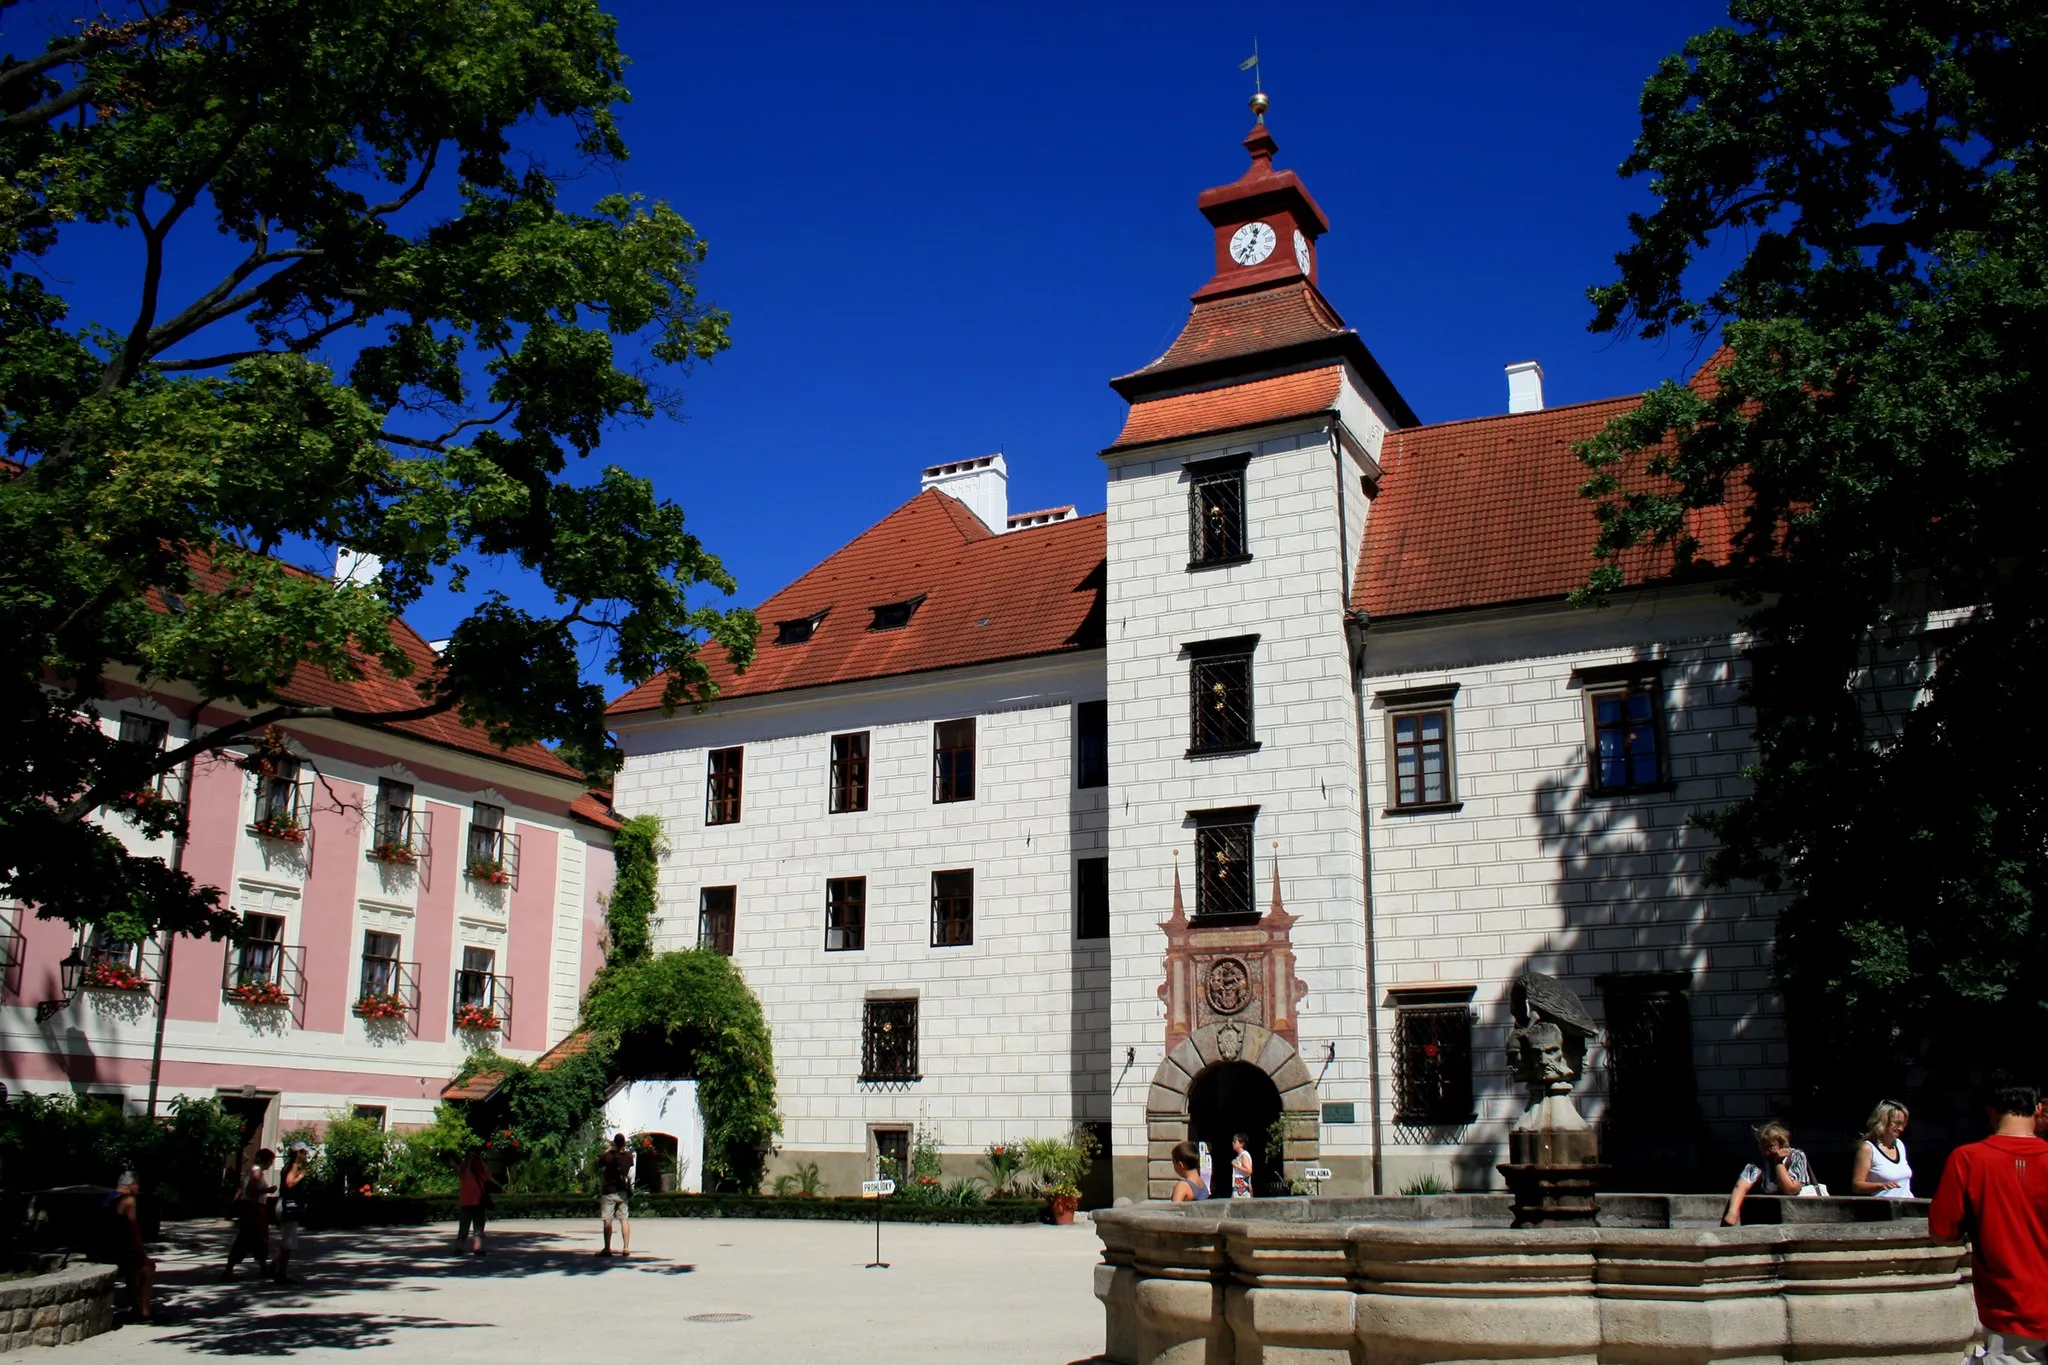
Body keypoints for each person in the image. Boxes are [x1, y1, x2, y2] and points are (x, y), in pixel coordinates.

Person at [1930, 1073, 2048, 1363]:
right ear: (2038, 1109)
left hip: (2011, 1311)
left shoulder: (1968, 1159)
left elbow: (1942, 1232)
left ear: (1990, 1110)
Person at [1722, 1121, 1811, 1226]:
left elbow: (1790, 1189)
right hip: (1771, 1213)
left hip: (1799, 1214)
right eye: (1762, 1147)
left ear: (1782, 1144)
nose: (1766, 1152)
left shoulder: (1797, 1156)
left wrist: (1778, 1163)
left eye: (1770, 1147)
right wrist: (1733, 1212)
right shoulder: (1760, 1160)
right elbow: (1741, 1186)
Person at [108, 1171, 154, 1323]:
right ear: (132, 1186)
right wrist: (143, 1255)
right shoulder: (129, 1200)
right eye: (137, 1185)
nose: (138, 1188)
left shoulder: (109, 1198)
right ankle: (144, 1312)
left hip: (104, 1249)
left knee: (133, 1269)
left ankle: (134, 1303)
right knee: (146, 1268)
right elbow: (135, 1230)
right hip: (119, 1252)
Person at [222, 1148, 275, 1280]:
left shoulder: (251, 1170)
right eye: (271, 1161)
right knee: (250, 1239)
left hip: (250, 1209)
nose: (271, 1164)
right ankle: (229, 1271)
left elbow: (242, 1190)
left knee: (253, 1239)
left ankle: (263, 1269)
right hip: (254, 1210)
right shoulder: (257, 1172)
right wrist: (268, 1189)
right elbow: (251, 1191)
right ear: (267, 1160)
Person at [1849, 1100, 1913, 1198]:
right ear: (1883, 1121)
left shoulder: (1899, 1144)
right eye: (1896, 1123)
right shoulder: (1868, 1148)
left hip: (1908, 1207)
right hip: (1884, 1209)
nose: (1901, 1129)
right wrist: (1880, 1185)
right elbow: (1857, 1185)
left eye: (1903, 1124)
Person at [268, 1143, 310, 1283]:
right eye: (304, 1152)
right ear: (298, 1153)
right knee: (289, 1242)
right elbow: (289, 1183)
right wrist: (301, 1176)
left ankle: (273, 1266)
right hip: (288, 1205)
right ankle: (281, 1274)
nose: (306, 1155)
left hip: (285, 1204)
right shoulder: (293, 1166)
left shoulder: (288, 1165)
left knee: (287, 1240)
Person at [597, 1133, 633, 1257]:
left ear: (614, 1143)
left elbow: (599, 1162)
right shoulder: (628, 1156)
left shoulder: (608, 1156)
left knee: (608, 1220)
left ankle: (607, 1248)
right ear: (624, 1143)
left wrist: (609, 1149)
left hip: (609, 1191)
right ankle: (626, 1247)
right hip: (622, 1192)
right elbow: (629, 1169)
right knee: (624, 1219)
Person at [456, 1145, 492, 1257]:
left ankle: (460, 1248)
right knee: (478, 1227)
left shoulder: (464, 1166)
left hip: (466, 1200)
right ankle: (477, 1248)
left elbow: (459, 1173)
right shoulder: (480, 1165)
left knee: (464, 1226)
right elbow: (488, 1178)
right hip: (478, 1200)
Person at [1230, 1133, 1254, 1199]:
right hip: (1238, 1186)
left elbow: (1249, 1171)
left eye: (1235, 1142)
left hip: (1242, 1187)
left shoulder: (1244, 1155)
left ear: (1241, 1144)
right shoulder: (1239, 1156)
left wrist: (1236, 1165)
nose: (1233, 1143)